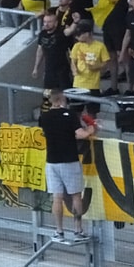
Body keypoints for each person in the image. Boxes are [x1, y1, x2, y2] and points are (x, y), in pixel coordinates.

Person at [38, 89, 95, 241]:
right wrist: (92, 127)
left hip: (52, 162)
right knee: (76, 196)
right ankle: (78, 230)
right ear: (62, 99)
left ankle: (59, 231)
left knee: (57, 198)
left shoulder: (44, 116)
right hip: (69, 161)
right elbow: (81, 134)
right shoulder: (70, 115)